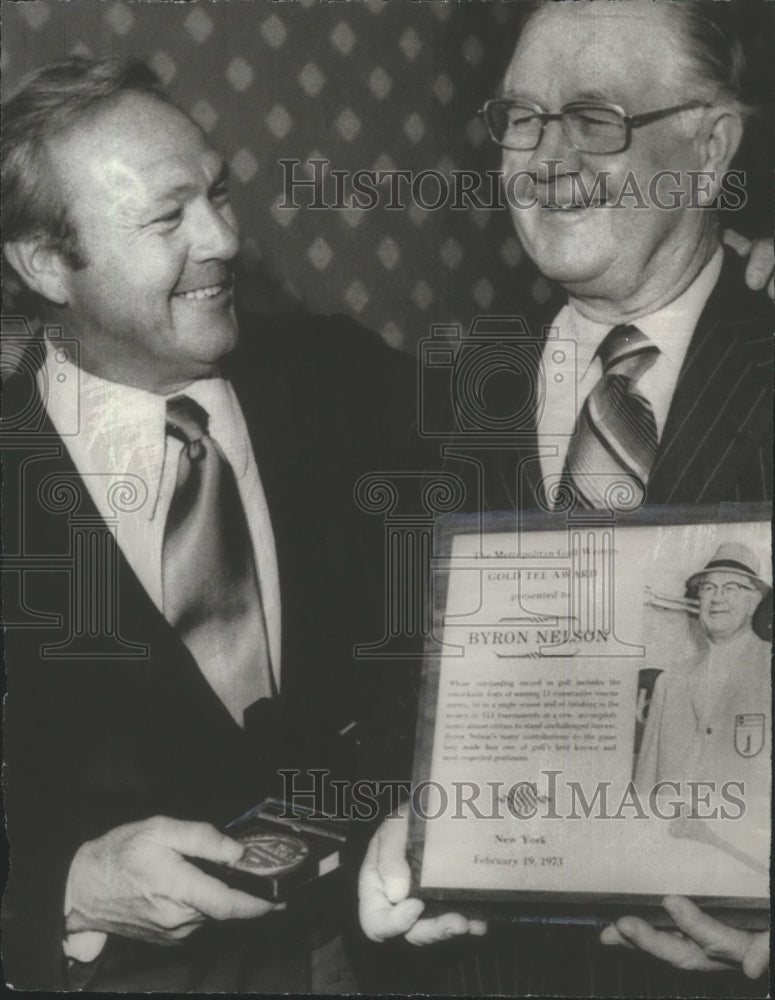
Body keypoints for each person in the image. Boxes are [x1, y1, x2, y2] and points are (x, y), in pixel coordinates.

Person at [358, 1, 771, 993]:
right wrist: (398, 819)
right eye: (519, 118)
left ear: (710, 151)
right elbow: (375, 694)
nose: (542, 160)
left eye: (594, 121)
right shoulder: (437, 391)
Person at [0, 56, 417, 991]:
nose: (223, 238)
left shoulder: (340, 380)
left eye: (218, 195)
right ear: (42, 263)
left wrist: (731, 299)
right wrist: (66, 891)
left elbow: (545, 468)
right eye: (166, 217)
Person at [635, 541, 770, 802]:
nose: (717, 597)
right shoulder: (670, 681)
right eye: (708, 588)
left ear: (753, 601)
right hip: (672, 837)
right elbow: (645, 784)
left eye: (730, 588)